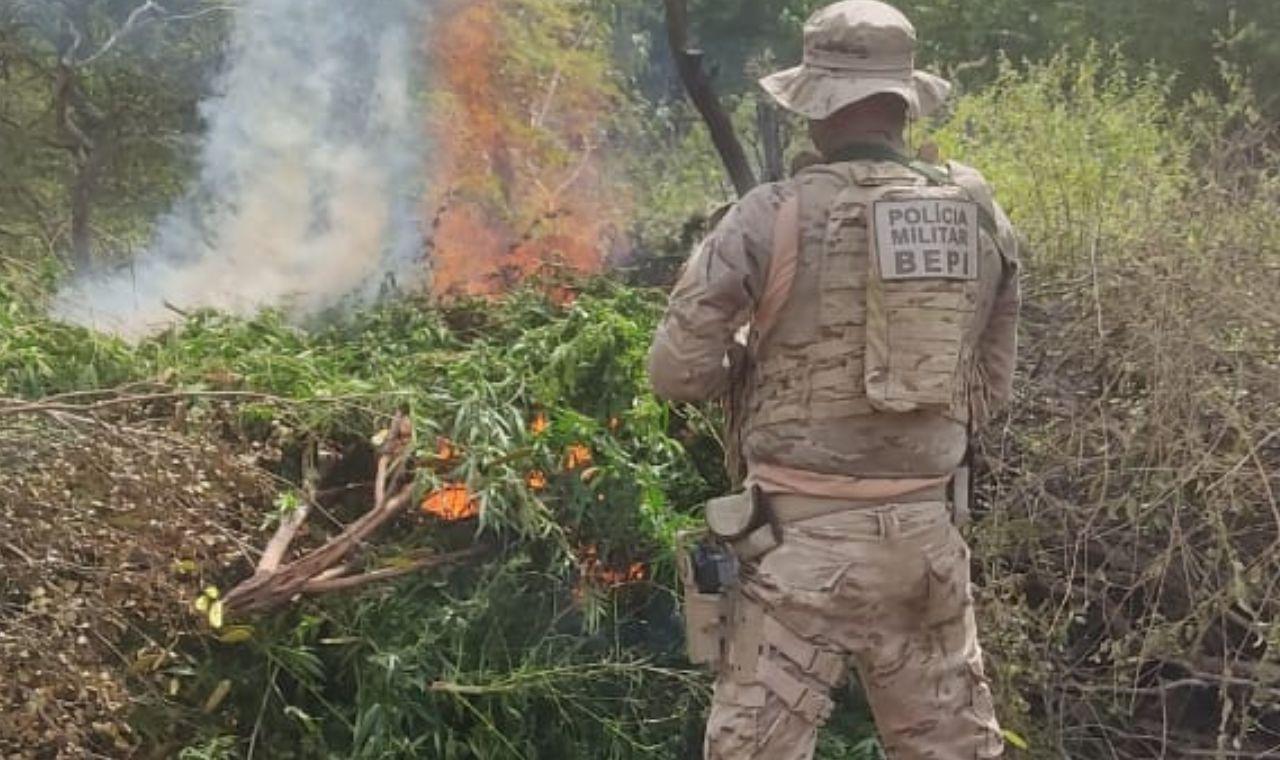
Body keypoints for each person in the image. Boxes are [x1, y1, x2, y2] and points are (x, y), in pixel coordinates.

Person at [647, 2, 1021, 758]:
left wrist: (748, 359)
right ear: (905, 101)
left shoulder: (766, 217)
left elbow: (676, 373)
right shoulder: (980, 218)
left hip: (796, 554)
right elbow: (991, 388)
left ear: (816, 110)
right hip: (926, 544)